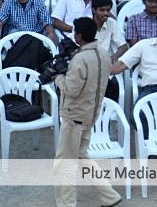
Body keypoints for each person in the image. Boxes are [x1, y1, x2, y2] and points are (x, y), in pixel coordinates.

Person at [52, 16, 122, 207]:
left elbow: (71, 89)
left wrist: (58, 76)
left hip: (74, 116)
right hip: (90, 114)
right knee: (81, 155)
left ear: (79, 36)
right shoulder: (104, 53)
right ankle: (109, 196)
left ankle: (66, 204)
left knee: (64, 163)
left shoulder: (80, 59)